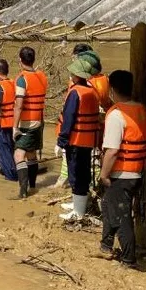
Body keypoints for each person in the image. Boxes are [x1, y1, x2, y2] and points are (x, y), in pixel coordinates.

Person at [99, 70, 146, 269]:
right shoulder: (141, 109)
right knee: (109, 205)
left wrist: (104, 175)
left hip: (121, 173)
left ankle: (129, 259)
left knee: (122, 216)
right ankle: (105, 246)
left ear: (111, 90)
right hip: (137, 170)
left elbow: (112, 151)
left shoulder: (117, 114)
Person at [56, 46, 111, 188]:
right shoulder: (99, 83)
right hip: (91, 133)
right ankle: (88, 188)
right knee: (87, 165)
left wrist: (61, 140)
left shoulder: (81, 90)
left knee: (77, 170)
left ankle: (74, 194)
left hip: (76, 136)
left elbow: (70, 116)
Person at [55, 55, 101, 221]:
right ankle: (77, 204)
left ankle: (78, 212)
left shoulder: (75, 93)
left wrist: (61, 141)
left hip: (76, 141)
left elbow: (69, 118)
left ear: (76, 75)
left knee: (76, 174)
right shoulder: (92, 91)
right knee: (82, 173)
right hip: (88, 141)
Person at [12, 47, 48, 198]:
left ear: (20, 60)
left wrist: (14, 127)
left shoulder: (22, 79)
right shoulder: (42, 76)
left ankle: (23, 191)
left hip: (26, 123)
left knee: (19, 155)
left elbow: (19, 105)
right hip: (39, 121)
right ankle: (32, 186)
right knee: (31, 154)